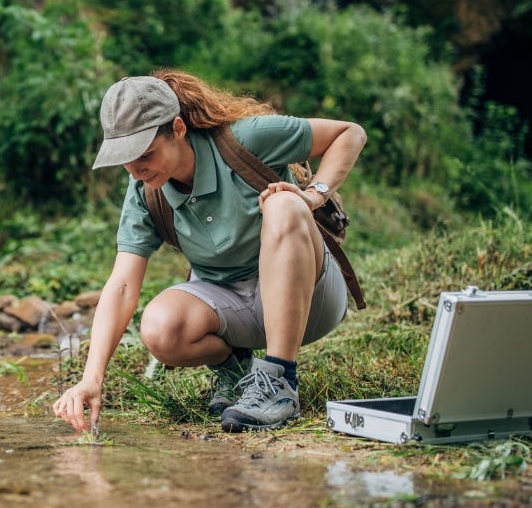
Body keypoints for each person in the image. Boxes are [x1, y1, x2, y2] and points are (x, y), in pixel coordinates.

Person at [53, 70, 367, 433]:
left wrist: (313, 195)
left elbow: (350, 133)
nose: (137, 169)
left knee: (283, 204)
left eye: (146, 153)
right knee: (158, 326)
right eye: (126, 158)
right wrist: (92, 378)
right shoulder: (144, 189)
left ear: (178, 129)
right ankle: (237, 372)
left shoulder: (246, 139)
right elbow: (122, 284)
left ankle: (280, 381)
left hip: (311, 300)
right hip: (233, 307)